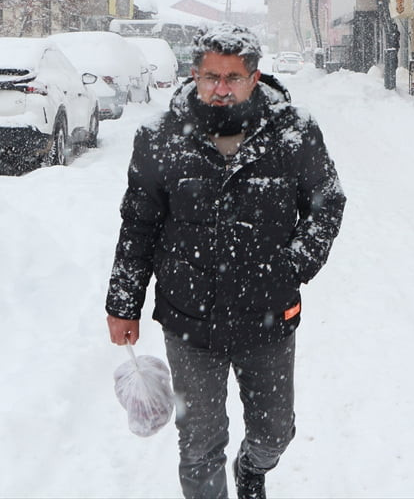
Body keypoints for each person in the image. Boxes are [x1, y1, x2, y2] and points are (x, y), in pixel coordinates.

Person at [106, 24, 346, 499]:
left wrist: (293, 266)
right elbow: (139, 224)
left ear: (254, 77)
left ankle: (252, 467)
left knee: (275, 433)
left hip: (268, 315)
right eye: (211, 76)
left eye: (233, 77)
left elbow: (327, 202)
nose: (221, 88)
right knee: (199, 445)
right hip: (189, 319)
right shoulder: (159, 137)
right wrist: (123, 304)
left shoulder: (294, 133)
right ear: (194, 75)